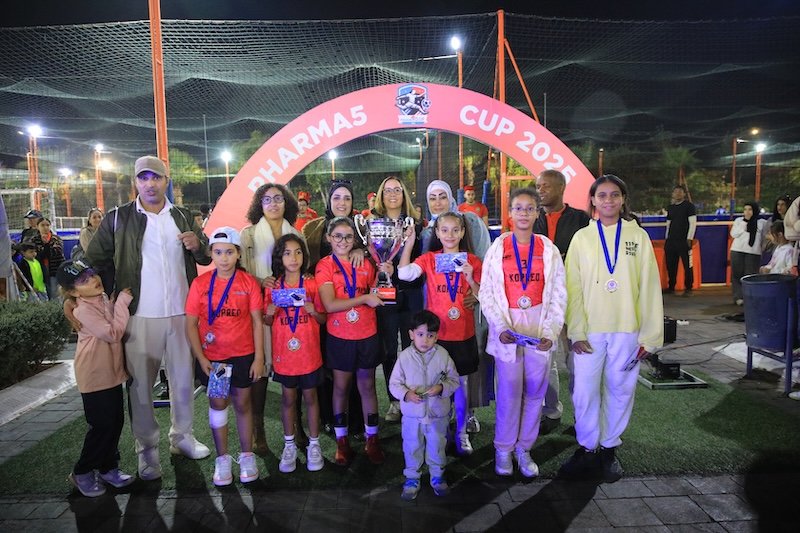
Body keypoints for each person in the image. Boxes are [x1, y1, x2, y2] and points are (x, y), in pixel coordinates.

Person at [85, 155, 212, 481]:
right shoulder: (118, 218)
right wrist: (97, 301)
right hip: (138, 315)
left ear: (166, 180)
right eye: (143, 178)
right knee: (141, 387)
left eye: (156, 177)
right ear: (136, 182)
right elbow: (91, 261)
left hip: (182, 314)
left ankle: (182, 438)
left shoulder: (181, 215)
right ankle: (147, 452)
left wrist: (198, 244)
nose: (150, 184)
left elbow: (206, 254)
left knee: (183, 382)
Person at [559, 174, 663, 483]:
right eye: (601, 195)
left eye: (614, 194)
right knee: (584, 391)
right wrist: (576, 331)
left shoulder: (638, 237)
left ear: (623, 199)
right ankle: (588, 447)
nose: (608, 200)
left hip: (627, 329)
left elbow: (650, 287)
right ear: (592, 200)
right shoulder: (582, 238)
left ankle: (608, 449)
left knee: (621, 390)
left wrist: (650, 336)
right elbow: (573, 289)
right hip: (590, 331)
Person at [478, 187, 567, 478]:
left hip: (538, 327)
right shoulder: (498, 248)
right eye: (518, 208)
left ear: (537, 212)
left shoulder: (548, 249)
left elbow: (559, 294)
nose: (524, 213)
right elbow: (487, 293)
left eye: (530, 208)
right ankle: (503, 449)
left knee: (535, 393)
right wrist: (500, 327)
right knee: (509, 392)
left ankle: (524, 448)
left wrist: (551, 331)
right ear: (510, 213)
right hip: (509, 329)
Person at [398, 211, 482, 456]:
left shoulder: (473, 261)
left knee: (461, 387)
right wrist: (409, 243)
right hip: (437, 337)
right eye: (444, 230)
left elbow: (485, 296)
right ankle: (439, 432)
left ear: (463, 232)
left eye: (455, 230)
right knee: (436, 387)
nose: (450, 235)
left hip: (463, 335)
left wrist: (471, 280)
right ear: (436, 232)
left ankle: (462, 433)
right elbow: (404, 274)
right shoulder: (430, 259)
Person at [185, 227, 264, 486]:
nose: (223, 258)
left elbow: (257, 322)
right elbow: (190, 324)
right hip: (214, 360)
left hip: (243, 356)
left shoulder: (248, 283)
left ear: (238, 253)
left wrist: (259, 358)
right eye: (218, 252)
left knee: (243, 404)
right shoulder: (200, 284)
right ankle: (222, 459)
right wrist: (201, 358)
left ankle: (247, 456)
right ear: (211, 253)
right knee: (218, 405)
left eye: (229, 252)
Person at [315, 216, 391, 465]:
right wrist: (363, 299)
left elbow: (377, 292)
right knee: (341, 388)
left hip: (367, 333)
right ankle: (342, 442)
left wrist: (384, 274)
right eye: (337, 236)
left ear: (354, 239)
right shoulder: (324, 266)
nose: (343, 241)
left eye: (348, 237)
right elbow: (330, 304)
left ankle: (372, 439)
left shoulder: (365, 262)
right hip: (340, 337)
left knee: (367, 386)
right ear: (329, 238)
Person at [57, 259, 135, 497]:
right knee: (102, 427)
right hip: (94, 376)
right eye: (83, 280)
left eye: (90, 274)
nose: (92, 280)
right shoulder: (83, 310)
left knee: (115, 423)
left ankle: (108, 468)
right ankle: (82, 472)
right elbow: (113, 333)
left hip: (110, 374)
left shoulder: (99, 298)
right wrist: (122, 302)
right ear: (73, 292)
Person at [422, 180, 491, 434]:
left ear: (451, 198)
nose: (438, 202)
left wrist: (477, 292)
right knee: (439, 363)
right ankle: (444, 411)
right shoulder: (427, 231)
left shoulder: (470, 222)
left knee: (470, 363)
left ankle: (469, 412)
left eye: (442, 196)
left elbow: (485, 260)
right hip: (439, 309)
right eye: (432, 198)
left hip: (467, 306)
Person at [239, 183, 303, 454]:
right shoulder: (249, 235)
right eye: (267, 199)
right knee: (261, 372)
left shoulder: (296, 233)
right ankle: (258, 431)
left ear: (287, 202)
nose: (274, 204)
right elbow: (239, 272)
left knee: (294, 368)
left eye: (278, 198)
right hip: (260, 312)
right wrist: (258, 281)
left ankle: (297, 426)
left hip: (292, 313)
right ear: (259, 204)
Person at [302, 179, 366, 437]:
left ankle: (357, 420)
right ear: (329, 201)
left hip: (355, 310)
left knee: (357, 369)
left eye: (347, 198)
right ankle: (330, 417)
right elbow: (303, 262)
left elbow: (375, 261)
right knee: (328, 367)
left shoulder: (362, 227)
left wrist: (362, 251)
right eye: (337, 197)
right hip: (323, 307)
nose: (342, 202)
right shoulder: (312, 228)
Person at [533, 169, 590, 433]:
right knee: (546, 359)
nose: (541, 190)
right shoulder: (532, 219)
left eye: (546, 186)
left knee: (576, 359)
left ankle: (582, 416)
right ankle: (551, 411)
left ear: (561, 188)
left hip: (575, 299)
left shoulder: (581, 219)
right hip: (541, 301)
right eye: (538, 186)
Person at [264, 234, 327, 473]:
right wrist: (269, 313)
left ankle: (314, 444)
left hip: (309, 353)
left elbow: (323, 319)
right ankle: (289, 444)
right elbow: (267, 320)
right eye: (287, 253)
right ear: (279, 257)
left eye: (298, 252)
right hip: (285, 356)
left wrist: (314, 311)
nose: (293, 258)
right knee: (288, 399)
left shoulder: (311, 284)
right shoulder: (273, 287)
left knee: (311, 398)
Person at [389, 310, 460, 501]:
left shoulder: (443, 355)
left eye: (430, 335)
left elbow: (454, 380)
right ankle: (412, 477)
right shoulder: (404, 357)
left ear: (436, 336)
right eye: (420, 334)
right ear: (411, 334)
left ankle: (437, 476)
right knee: (412, 445)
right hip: (412, 415)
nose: (425, 340)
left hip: (437, 414)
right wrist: (406, 394)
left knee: (437, 445)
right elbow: (394, 384)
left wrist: (441, 388)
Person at [371, 176, 425, 424]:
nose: (392, 194)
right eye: (388, 190)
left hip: (411, 294)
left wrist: (403, 270)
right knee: (389, 349)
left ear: (404, 195)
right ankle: (395, 399)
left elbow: (423, 262)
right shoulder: (372, 225)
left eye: (397, 190)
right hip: (385, 296)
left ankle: (414, 395)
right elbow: (368, 257)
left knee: (414, 346)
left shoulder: (416, 225)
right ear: (381, 196)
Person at [730, 201, 769, 306]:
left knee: (750, 276)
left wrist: (762, 249)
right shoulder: (739, 221)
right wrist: (744, 223)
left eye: (750, 209)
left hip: (753, 252)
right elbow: (734, 234)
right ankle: (738, 297)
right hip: (737, 250)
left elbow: (764, 238)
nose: (747, 212)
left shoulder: (761, 223)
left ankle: (750, 297)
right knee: (737, 274)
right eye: (745, 209)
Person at [663, 185, 696, 296]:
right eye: (675, 192)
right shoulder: (671, 207)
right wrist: (667, 238)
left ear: (684, 194)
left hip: (684, 240)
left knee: (687, 265)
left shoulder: (689, 206)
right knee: (671, 265)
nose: (677, 194)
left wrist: (689, 238)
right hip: (671, 240)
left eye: (680, 192)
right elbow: (668, 224)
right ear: (672, 194)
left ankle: (689, 288)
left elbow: (693, 223)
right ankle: (671, 286)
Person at [30, 217, 65, 300]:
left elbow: (55, 253)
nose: (45, 227)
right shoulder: (34, 240)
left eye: (47, 225)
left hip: (54, 270)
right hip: (39, 270)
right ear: (37, 227)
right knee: (43, 293)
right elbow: (36, 255)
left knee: (54, 292)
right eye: (42, 225)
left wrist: (46, 245)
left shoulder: (56, 239)